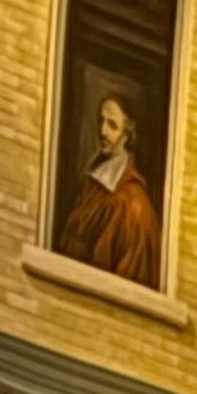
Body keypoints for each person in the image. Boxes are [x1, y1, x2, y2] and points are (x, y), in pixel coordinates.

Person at [57, 89, 163, 291]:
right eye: (101, 121)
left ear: (127, 134)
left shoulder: (133, 205)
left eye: (112, 125)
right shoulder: (93, 183)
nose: (102, 131)